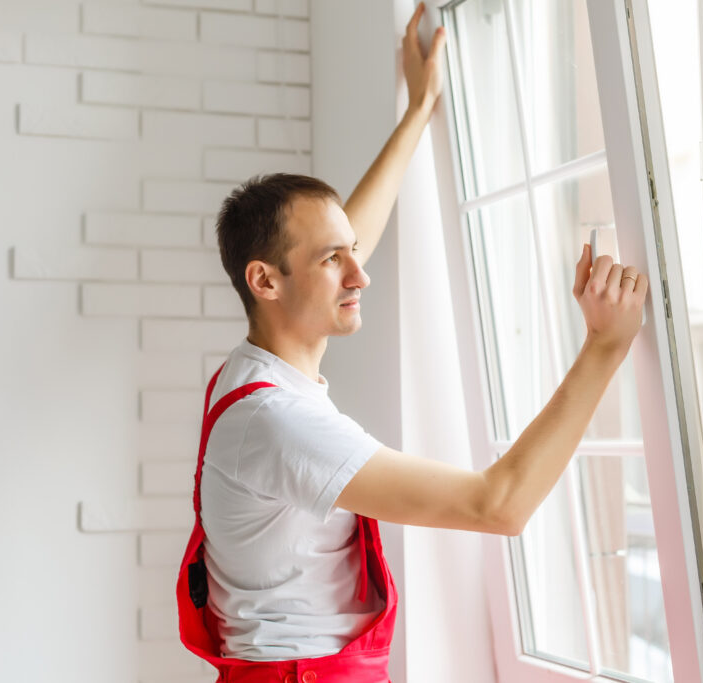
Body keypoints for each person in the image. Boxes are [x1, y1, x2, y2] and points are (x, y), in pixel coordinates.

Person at [176, 3, 649, 681]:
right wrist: (605, 345)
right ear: (266, 280)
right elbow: (498, 503)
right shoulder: (279, 422)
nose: (359, 273)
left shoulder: (254, 369)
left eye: (350, 252)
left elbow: (344, 242)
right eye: (333, 261)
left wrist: (420, 108)